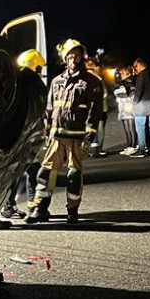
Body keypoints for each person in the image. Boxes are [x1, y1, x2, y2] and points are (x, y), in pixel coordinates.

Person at [25, 39, 104, 224]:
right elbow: (49, 109)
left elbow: (95, 112)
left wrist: (89, 138)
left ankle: (72, 211)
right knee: (45, 173)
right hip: (56, 138)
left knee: (73, 175)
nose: (73, 58)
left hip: (76, 138)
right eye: (70, 54)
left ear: (81, 57)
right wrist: (46, 132)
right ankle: (40, 209)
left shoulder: (92, 81)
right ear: (64, 57)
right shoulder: (56, 81)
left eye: (76, 54)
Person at [0, 49, 47, 227]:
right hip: (26, 137)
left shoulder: (11, 81)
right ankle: (34, 207)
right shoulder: (36, 85)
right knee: (32, 171)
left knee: (11, 175)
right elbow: (38, 112)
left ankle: (8, 207)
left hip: (11, 137)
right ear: (36, 66)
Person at [130, 58, 150, 157]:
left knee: (140, 128)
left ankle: (142, 149)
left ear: (140, 65)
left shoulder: (141, 77)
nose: (135, 69)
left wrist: (134, 103)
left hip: (141, 105)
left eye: (135, 66)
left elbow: (138, 92)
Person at [114, 66, 137, 155]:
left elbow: (131, 95)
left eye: (122, 74)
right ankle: (129, 146)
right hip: (123, 107)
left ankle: (133, 146)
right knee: (126, 128)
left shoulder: (131, 82)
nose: (121, 75)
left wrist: (123, 91)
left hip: (129, 106)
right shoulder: (121, 83)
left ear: (128, 74)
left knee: (131, 127)